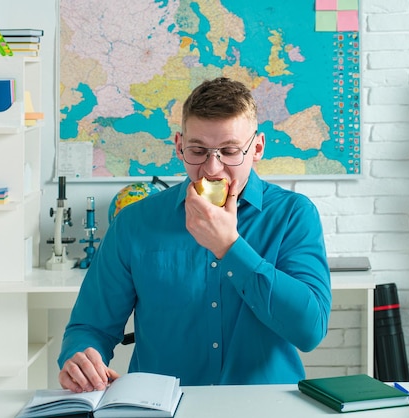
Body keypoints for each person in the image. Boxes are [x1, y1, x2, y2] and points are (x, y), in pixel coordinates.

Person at [58, 77, 332, 392]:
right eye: (198, 150)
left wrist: (230, 248)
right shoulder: (134, 223)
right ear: (179, 146)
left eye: (229, 151)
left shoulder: (293, 215)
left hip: (266, 406)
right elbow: (90, 326)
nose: (212, 169)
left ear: (257, 148)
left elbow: (310, 331)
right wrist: (80, 357)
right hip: (160, 408)